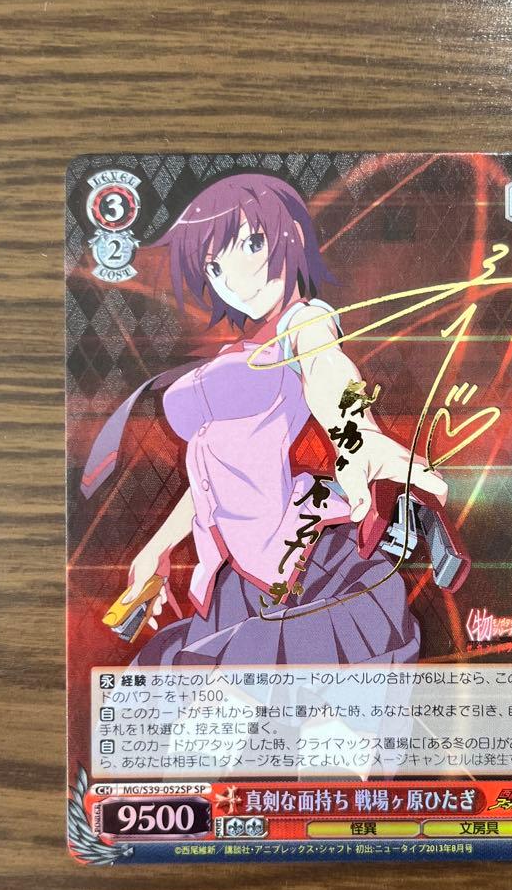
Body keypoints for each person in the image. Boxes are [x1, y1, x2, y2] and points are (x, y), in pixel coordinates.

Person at [81, 173, 448, 667]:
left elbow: (327, 371)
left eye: (251, 244)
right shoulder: (241, 353)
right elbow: (216, 476)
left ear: (290, 237)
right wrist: (159, 547)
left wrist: (357, 436)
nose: (234, 279)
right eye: (214, 266)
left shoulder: (304, 323)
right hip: (238, 578)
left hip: (308, 565)